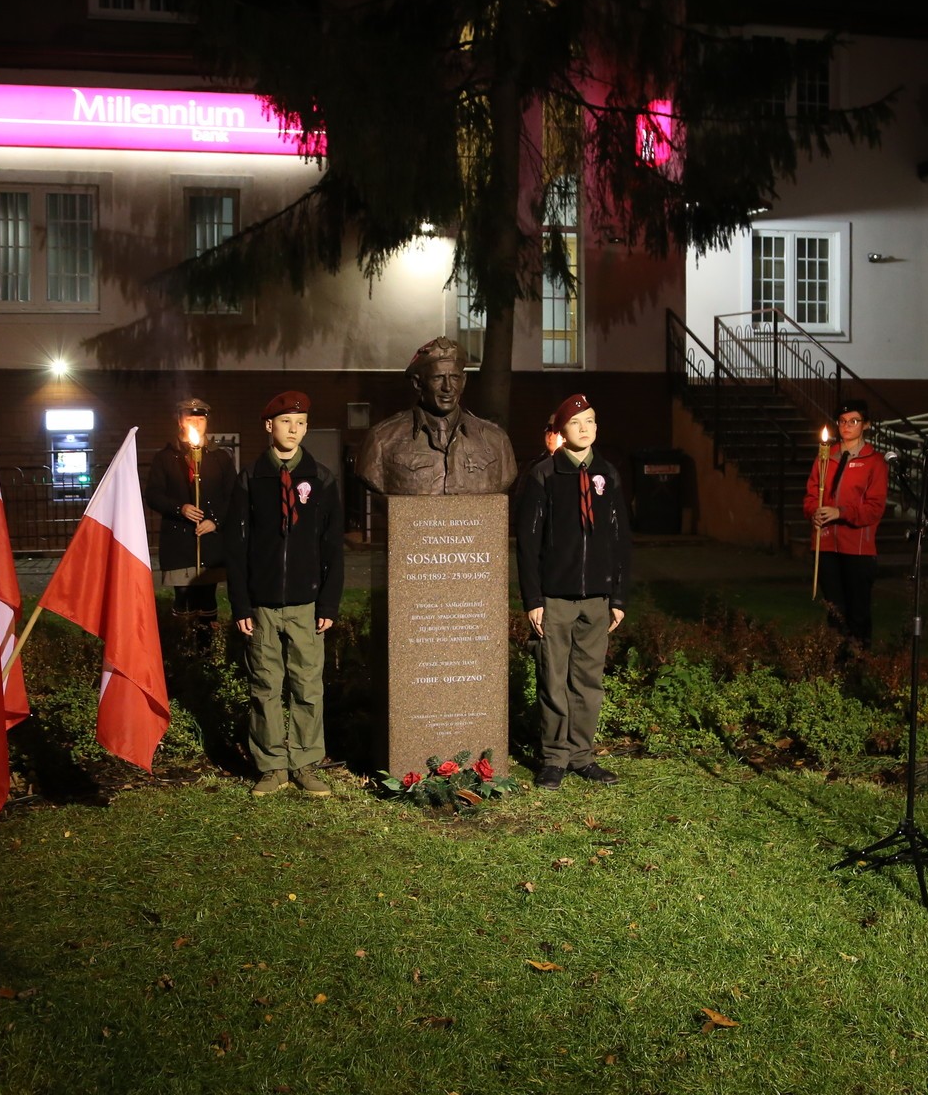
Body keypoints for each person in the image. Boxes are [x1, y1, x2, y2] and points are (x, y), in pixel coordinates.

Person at [224, 391, 345, 797]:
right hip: (262, 605)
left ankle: (306, 763)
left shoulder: (321, 478)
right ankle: (271, 765)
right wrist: (241, 603)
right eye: (286, 422)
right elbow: (236, 547)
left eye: (301, 423)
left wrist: (328, 601)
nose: (294, 430)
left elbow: (332, 546)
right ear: (268, 426)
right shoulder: (251, 479)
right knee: (265, 686)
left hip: (306, 605)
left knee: (308, 687)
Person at [514, 394, 630, 790]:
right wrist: (533, 599)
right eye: (577, 423)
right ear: (562, 431)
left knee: (588, 681)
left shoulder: (607, 474)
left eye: (591, 421)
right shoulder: (545, 475)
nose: (585, 428)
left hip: (597, 598)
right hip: (555, 598)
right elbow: (528, 541)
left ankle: (582, 755)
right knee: (553, 680)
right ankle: (554, 757)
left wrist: (618, 597)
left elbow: (620, 538)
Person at [356, 336, 517, 495]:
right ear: (417, 383)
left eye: (454, 377)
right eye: (438, 378)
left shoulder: (497, 440)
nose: (448, 387)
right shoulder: (381, 440)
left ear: (464, 381)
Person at [146, 397, 237, 647]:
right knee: (184, 598)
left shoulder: (220, 458)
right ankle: (182, 652)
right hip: (179, 543)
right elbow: (153, 495)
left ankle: (207, 652)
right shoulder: (166, 458)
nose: (196, 423)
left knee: (207, 598)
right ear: (180, 421)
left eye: (200, 418)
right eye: (190, 418)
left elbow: (233, 496)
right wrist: (180, 508)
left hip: (209, 543)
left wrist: (215, 521)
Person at [803, 399, 889, 647]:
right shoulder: (825, 457)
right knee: (835, 612)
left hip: (858, 549)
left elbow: (874, 508)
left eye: (853, 421)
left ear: (865, 424)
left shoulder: (874, 461)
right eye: (842, 421)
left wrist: (840, 512)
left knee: (857, 613)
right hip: (826, 545)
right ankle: (836, 662)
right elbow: (811, 496)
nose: (847, 426)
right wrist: (814, 512)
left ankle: (859, 660)